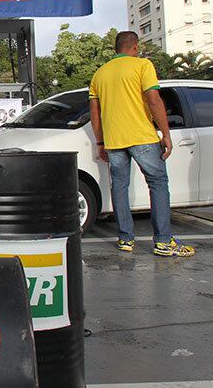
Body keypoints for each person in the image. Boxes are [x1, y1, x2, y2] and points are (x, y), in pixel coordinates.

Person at [89, 31, 194, 257]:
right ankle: (163, 241)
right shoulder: (142, 66)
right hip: (143, 136)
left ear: (116, 48)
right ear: (135, 47)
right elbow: (154, 100)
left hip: (114, 141)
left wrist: (100, 142)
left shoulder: (100, 74)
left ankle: (125, 239)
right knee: (157, 183)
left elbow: (94, 113)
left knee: (119, 186)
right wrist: (165, 134)